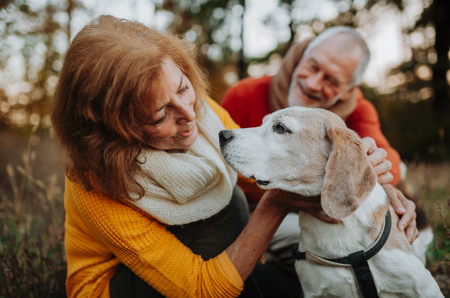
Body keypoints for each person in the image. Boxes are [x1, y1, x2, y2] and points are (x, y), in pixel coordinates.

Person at [52, 17, 414, 297]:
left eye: (183, 87)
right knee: (234, 209)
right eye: (160, 115)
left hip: (212, 240)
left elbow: (246, 167)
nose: (190, 116)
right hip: (119, 284)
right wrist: (276, 204)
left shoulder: (202, 112)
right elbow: (198, 288)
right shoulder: (93, 185)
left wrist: (376, 188)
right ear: (114, 130)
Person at [221, 26, 418, 274]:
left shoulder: (358, 111)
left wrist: (380, 180)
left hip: (321, 210)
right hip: (250, 211)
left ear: (347, 91)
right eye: (313, 67)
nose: (313, 84)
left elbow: (388, 159)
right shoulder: (245, 94)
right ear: (301, 55)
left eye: (331, 80)